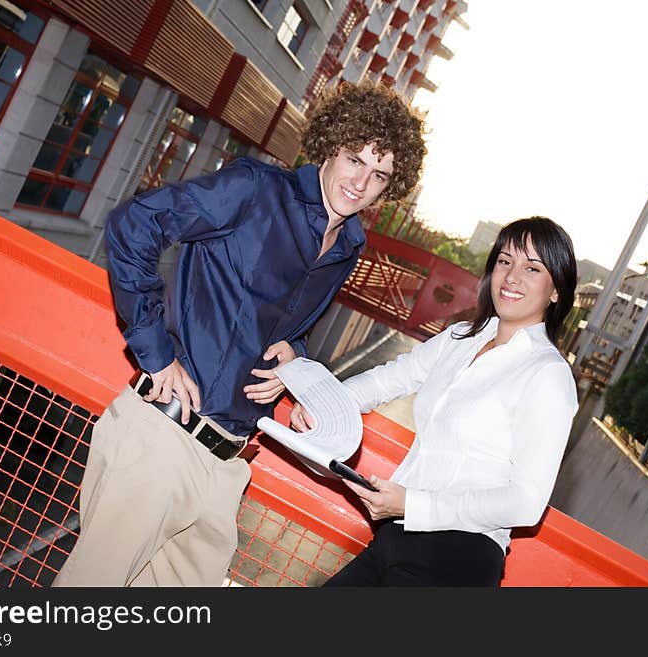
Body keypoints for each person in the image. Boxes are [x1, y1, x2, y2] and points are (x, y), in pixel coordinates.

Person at [52, 81, 427, 587]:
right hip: (164, 438)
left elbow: (283, 324)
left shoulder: (347, 245)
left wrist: (294, 354)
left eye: (379, 174)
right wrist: (156, 353)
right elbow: (132, 227)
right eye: (354, 159)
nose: (361, 182)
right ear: (331, 145)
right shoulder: (255, 189)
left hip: (228, 463)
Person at [290, 216, 579, 586]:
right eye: (505, 261)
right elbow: (388, 379)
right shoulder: (462, 338)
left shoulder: (548, 374)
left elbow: (527, 502)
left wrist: (414, 505)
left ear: (556, 291)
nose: (512, 277)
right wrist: (321, 402)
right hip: (397, 535)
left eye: (532, 268)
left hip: (459, 558)